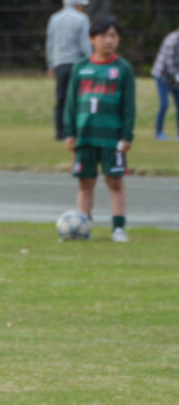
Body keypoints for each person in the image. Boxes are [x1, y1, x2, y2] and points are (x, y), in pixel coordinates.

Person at [62, 16, 135, 243]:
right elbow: (71, 102)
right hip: (85, 135)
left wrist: (126, 135)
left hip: (112, 137)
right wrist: (70, 132)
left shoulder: (123, 69)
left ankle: (118, 228)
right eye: (103, 36)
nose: (108, 40)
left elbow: (129, 106)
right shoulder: (80, 68)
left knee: (115, 181)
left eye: (113, 35)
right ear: (92, 39)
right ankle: (83, 227)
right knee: (85, 182)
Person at [46, 0, 93, 141]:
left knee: (61, 99)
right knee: (77, 98)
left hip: (59, 63)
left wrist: (50, 64)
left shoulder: (54, 19)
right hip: (76, 63)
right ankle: (76, 130)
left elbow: (50, 43)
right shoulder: (82, 19)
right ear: (77, 5)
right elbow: (85, 43)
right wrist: (91, 60)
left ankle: (60, 133)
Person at [150, 26, 179, 140]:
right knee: (164, 104)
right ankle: (158, 133)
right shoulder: (172, 41)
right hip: (162, 76)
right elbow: (170, 64)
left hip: (174, 77)